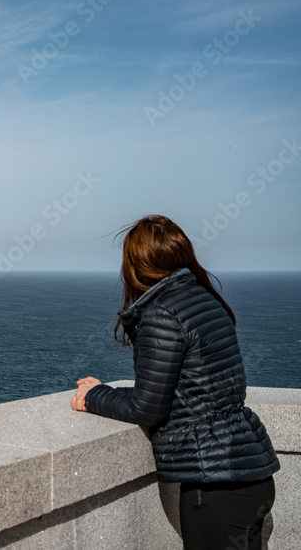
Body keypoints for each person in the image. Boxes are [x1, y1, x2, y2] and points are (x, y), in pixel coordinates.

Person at [71, 215, 279, 550]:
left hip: (215, 488)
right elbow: (182, 391)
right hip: (251, 475)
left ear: (136, 266)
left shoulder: (161, 312)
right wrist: (106, 391)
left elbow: (148, 408)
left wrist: (92, 397)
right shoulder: (203, 299)